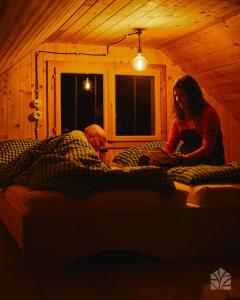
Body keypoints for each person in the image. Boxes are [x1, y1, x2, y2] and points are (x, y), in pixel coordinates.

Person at [140, 75, 225, 166]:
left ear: (193, 95)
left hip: (209, 160)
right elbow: (170, 147)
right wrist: (158, 157)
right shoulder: (178, 120)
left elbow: (207, 149)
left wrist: (182, 159)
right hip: (186, 160)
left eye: (182, 96)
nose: (178, 100)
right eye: (176, 96)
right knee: (145, 159)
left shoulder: (208, 114)